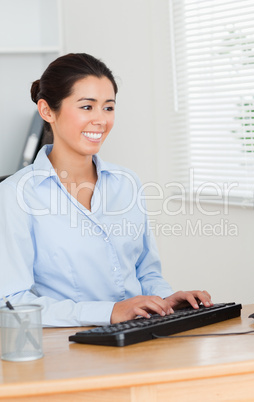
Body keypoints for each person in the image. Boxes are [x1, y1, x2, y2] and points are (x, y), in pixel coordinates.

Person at [0, 53, 212, 327]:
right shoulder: (16, 195)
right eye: (87, 107)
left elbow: (146, 272)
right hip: (65, 348)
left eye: (108, 108)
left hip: (138, 337)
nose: (101, 120)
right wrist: (109, 312)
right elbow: (12, 301)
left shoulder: (127, 183)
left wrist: (166, 299)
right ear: (47, 111)